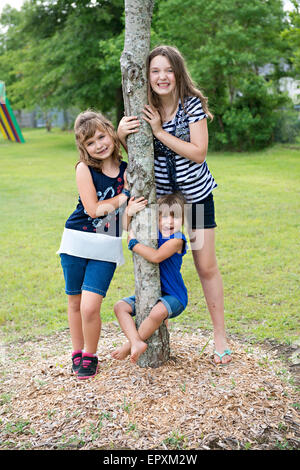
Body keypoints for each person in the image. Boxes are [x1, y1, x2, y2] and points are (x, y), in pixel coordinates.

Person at [117, 45, 231, 364]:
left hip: (194, 199)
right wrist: (119, 134)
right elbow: (134, 157)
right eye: (155, 70)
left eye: (168, 70)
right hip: (164, 203)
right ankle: (156, 320)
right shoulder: (144, 106)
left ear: (177, 72)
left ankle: (219, 335)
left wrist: (159, 132)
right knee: (161, 262)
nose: (162, 76)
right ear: (147, 75)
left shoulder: (190, 105)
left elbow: (198, 152)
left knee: (205, 266)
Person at [57, 110, 147, 379]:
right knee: (74, 302)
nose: (99, 145)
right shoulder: (84, 169)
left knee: (90, 306)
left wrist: (128, 211)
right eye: (90, 143)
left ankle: (90, 354)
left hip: (106, 245)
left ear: (111, 133)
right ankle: (77, 351)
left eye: (101, 137)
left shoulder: (129, 170)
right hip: (75, 240)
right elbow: (94, 209)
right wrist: (125, 197)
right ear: (83, 148)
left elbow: (125, 218)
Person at [112, 192, 188, 364]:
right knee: (120, 307)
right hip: (152, 294)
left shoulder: (178, 239)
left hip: (175, 296)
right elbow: (127, 227)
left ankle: (128, 346)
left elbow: (156, 256)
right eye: (164, 217)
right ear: (157, 219)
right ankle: (136, 341)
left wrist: (134, 245)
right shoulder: (152, 234)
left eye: (175, 217)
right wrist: (129, 212)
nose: (169, 222)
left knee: (157, 312)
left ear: (183, 220)